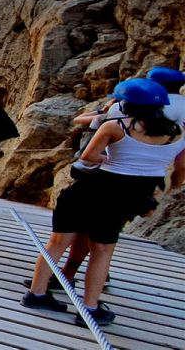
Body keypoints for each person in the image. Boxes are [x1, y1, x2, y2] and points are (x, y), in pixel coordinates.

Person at [22, 78, 185, 327]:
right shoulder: (179, 133)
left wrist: (111, 161)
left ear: (128, 105)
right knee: (102, 252)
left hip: (89, 190)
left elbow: (88, 157)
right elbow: (181, 168)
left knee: (56, 243)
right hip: (125, 198)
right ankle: (90, 308)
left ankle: (37, 293)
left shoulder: (115, 126)